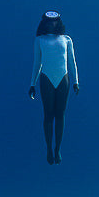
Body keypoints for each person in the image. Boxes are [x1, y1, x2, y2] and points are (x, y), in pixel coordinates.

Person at [29, 10, 79, 164]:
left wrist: (76, 80)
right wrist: (32, 83)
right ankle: (49, 149)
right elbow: (37, 63)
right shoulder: (39, 40)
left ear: (58, 22)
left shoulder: (67, 39)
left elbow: (72, 61)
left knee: (60, 115)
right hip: (46, 79)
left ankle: (57, 149)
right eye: (49, 21)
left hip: (63, 78)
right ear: (44, 23)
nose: (52, 23)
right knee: (48, 115)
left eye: (55, 21)